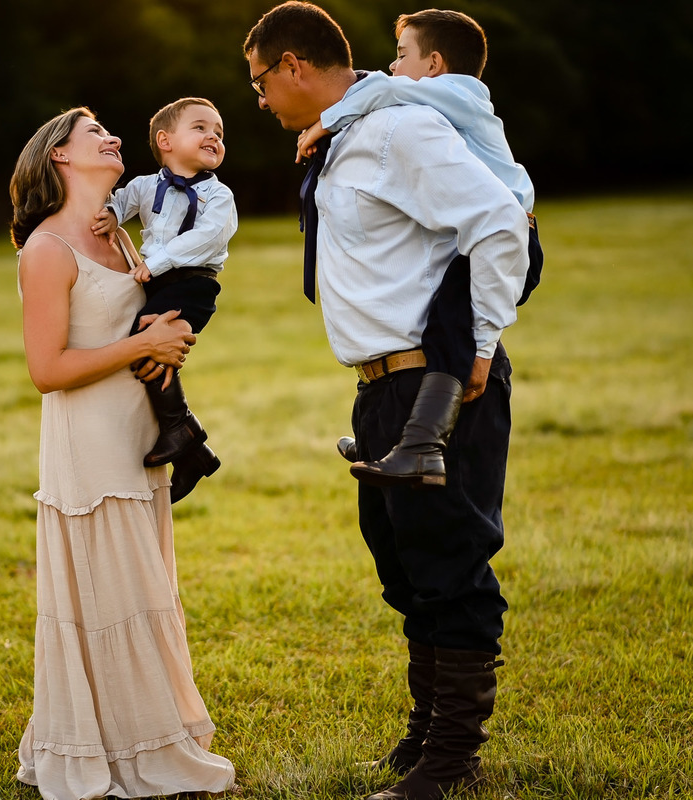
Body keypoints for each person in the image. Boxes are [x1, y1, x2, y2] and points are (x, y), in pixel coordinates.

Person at [244, 4, 529, 800]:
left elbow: (499, 220)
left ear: (293, 65)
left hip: (438, 379)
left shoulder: (402, 128)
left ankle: (452, 762)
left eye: (260, 82)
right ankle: (423, 739)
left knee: (449, 565)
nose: (259, 100)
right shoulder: (348, 133)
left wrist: (478, 345)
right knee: (404, 568)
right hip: (378, 387)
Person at [9, 107, 236, 800]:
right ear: (60, 156)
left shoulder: (118, 235)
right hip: (90, 445)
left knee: (140, 591)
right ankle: (109, 749)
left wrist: (169, 336)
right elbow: (46, 369)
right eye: (95, 133)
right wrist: (145, 343)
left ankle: (150, 732)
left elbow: (153, 315)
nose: (113, 138)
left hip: (138, 439)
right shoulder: (48, 249)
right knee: (108, 593)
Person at [295, 8, 543, 488]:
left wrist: (326, 121)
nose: (392, 66)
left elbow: (380, 89)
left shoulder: (455, 93)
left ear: (434, 63)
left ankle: (423, 442)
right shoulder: (449, 100)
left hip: (514, 234)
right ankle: (398, 437)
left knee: (450, 326)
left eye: (401, 54)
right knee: (445, 322)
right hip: (500, 234)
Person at [93, 97, 238, 501]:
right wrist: (112, 213)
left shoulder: (218, 196)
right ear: (165, 141)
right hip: (158, 282)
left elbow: (208, 238)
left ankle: (181, 430)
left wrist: (156, 262)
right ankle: (192, 448)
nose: (213, 136)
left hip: (193, 284)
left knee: (148, 345)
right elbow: (121, 201)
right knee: (145, 351)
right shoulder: (145, 186)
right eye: (200, 128)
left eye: (219, 132)